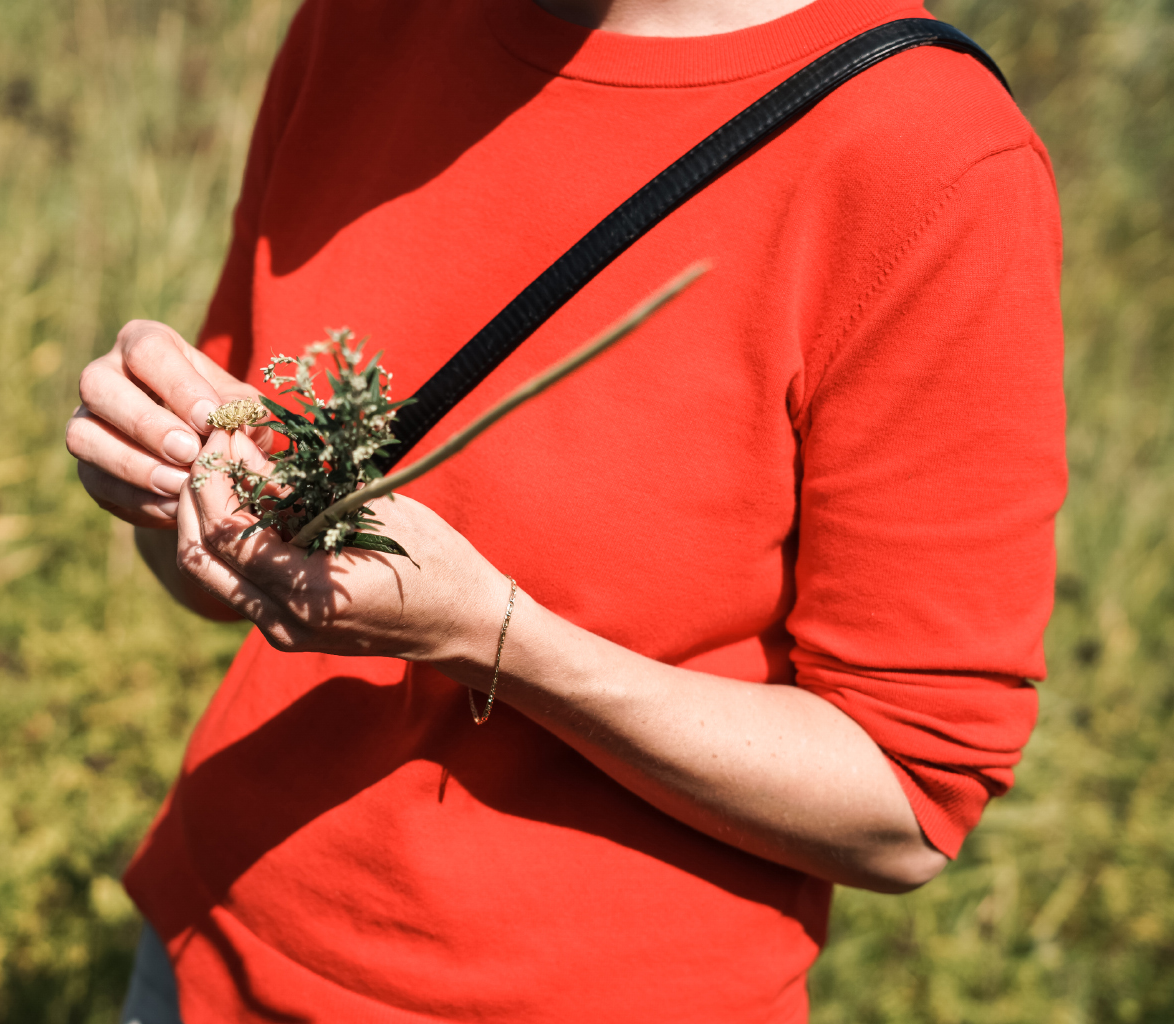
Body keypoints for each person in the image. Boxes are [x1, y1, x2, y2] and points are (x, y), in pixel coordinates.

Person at [66, 0, 1066, 1019]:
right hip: (211, 953)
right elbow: (226, 576)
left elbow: (904, 806)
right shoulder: (365, 22)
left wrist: (496, 641)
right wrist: (164, 483)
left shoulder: (927, 156)